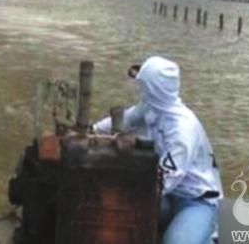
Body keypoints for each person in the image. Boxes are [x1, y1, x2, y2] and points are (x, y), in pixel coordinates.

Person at [93, 56, 222, 244]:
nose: (140, 89)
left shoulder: (182, 129)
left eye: (143, 85)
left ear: (154, 88)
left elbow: (164, 180)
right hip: (169, 195)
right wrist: (91, 131)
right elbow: (125, 120)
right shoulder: (151, 107)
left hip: (195, 200)